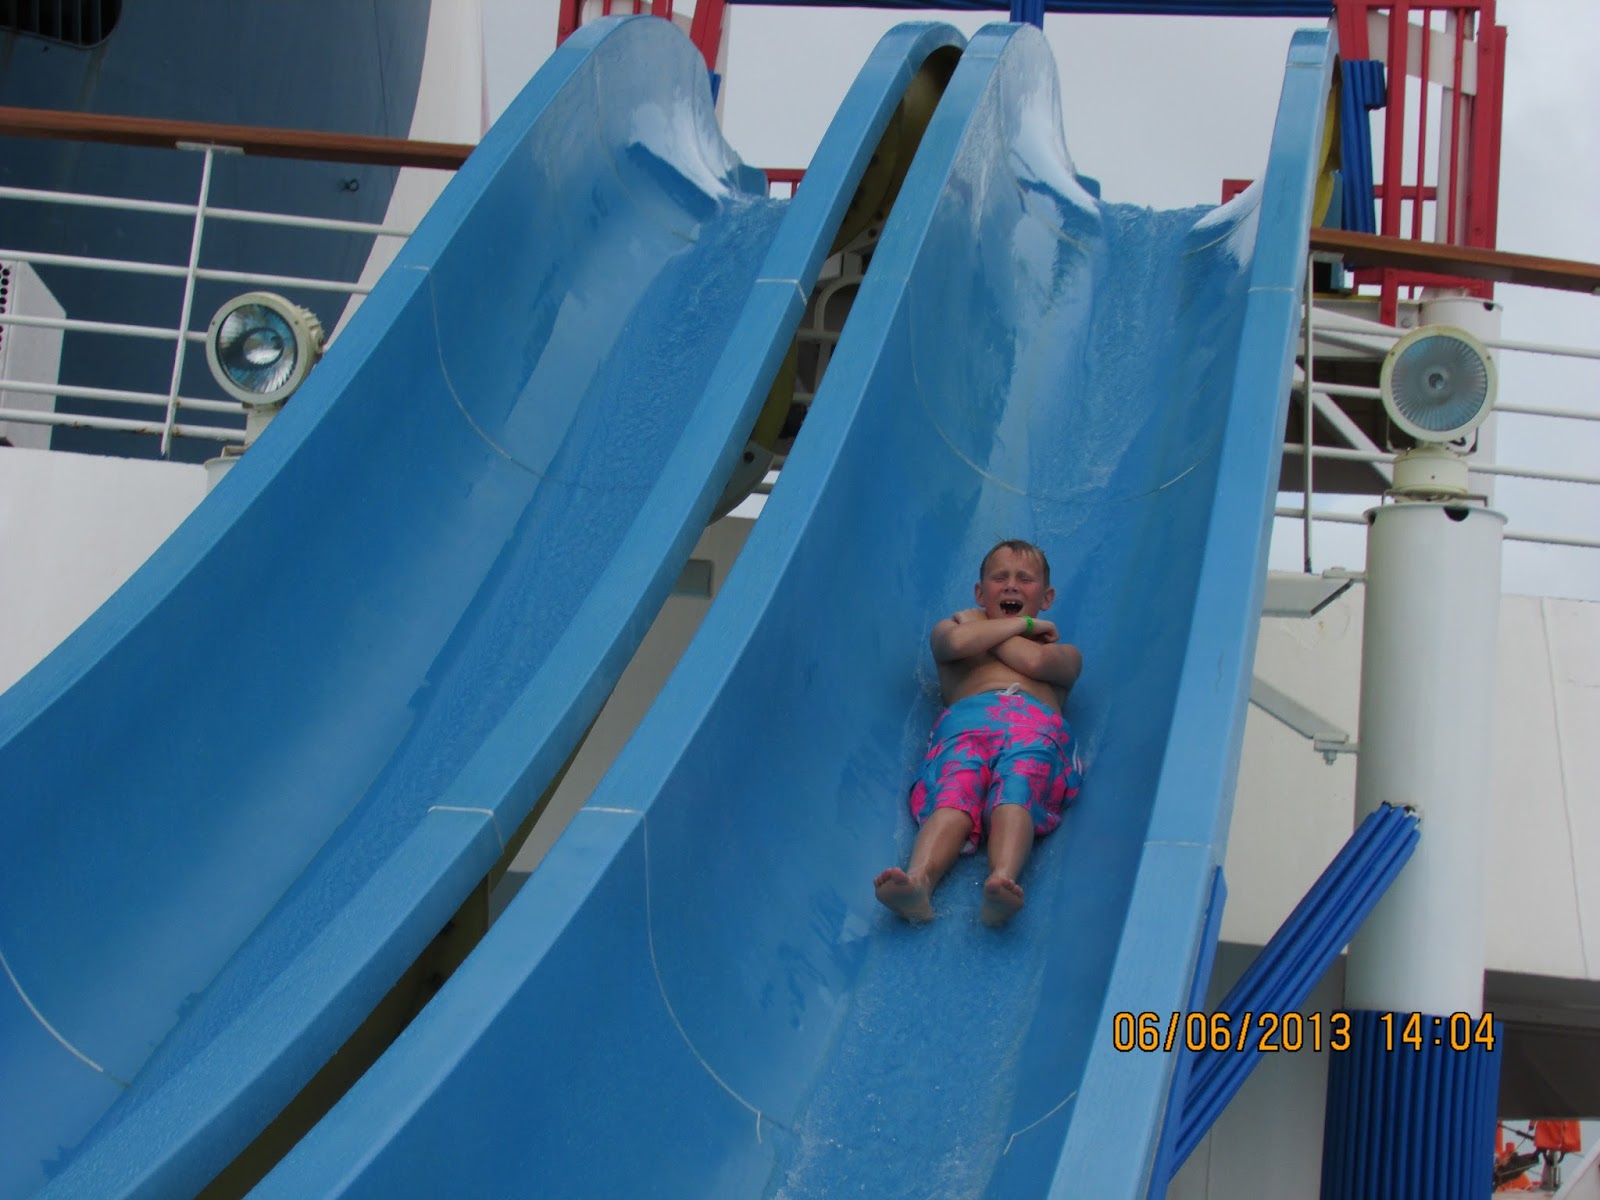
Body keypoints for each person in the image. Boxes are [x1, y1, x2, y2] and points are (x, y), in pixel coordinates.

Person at [874, 539, 1083, 927]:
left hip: (1034, 728)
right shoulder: (952, 631)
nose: (1011, 585)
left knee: (1018, 788)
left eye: (1025, 579)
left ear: (1047, 597)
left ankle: (1002, 879)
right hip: (966, 726)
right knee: (953, 794)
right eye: (999, 577)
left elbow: (1033, 661)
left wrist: (993, 627)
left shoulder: (1065, 653)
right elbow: (955, 642)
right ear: (979, 592)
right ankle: (919, 882)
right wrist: (1023, 624)